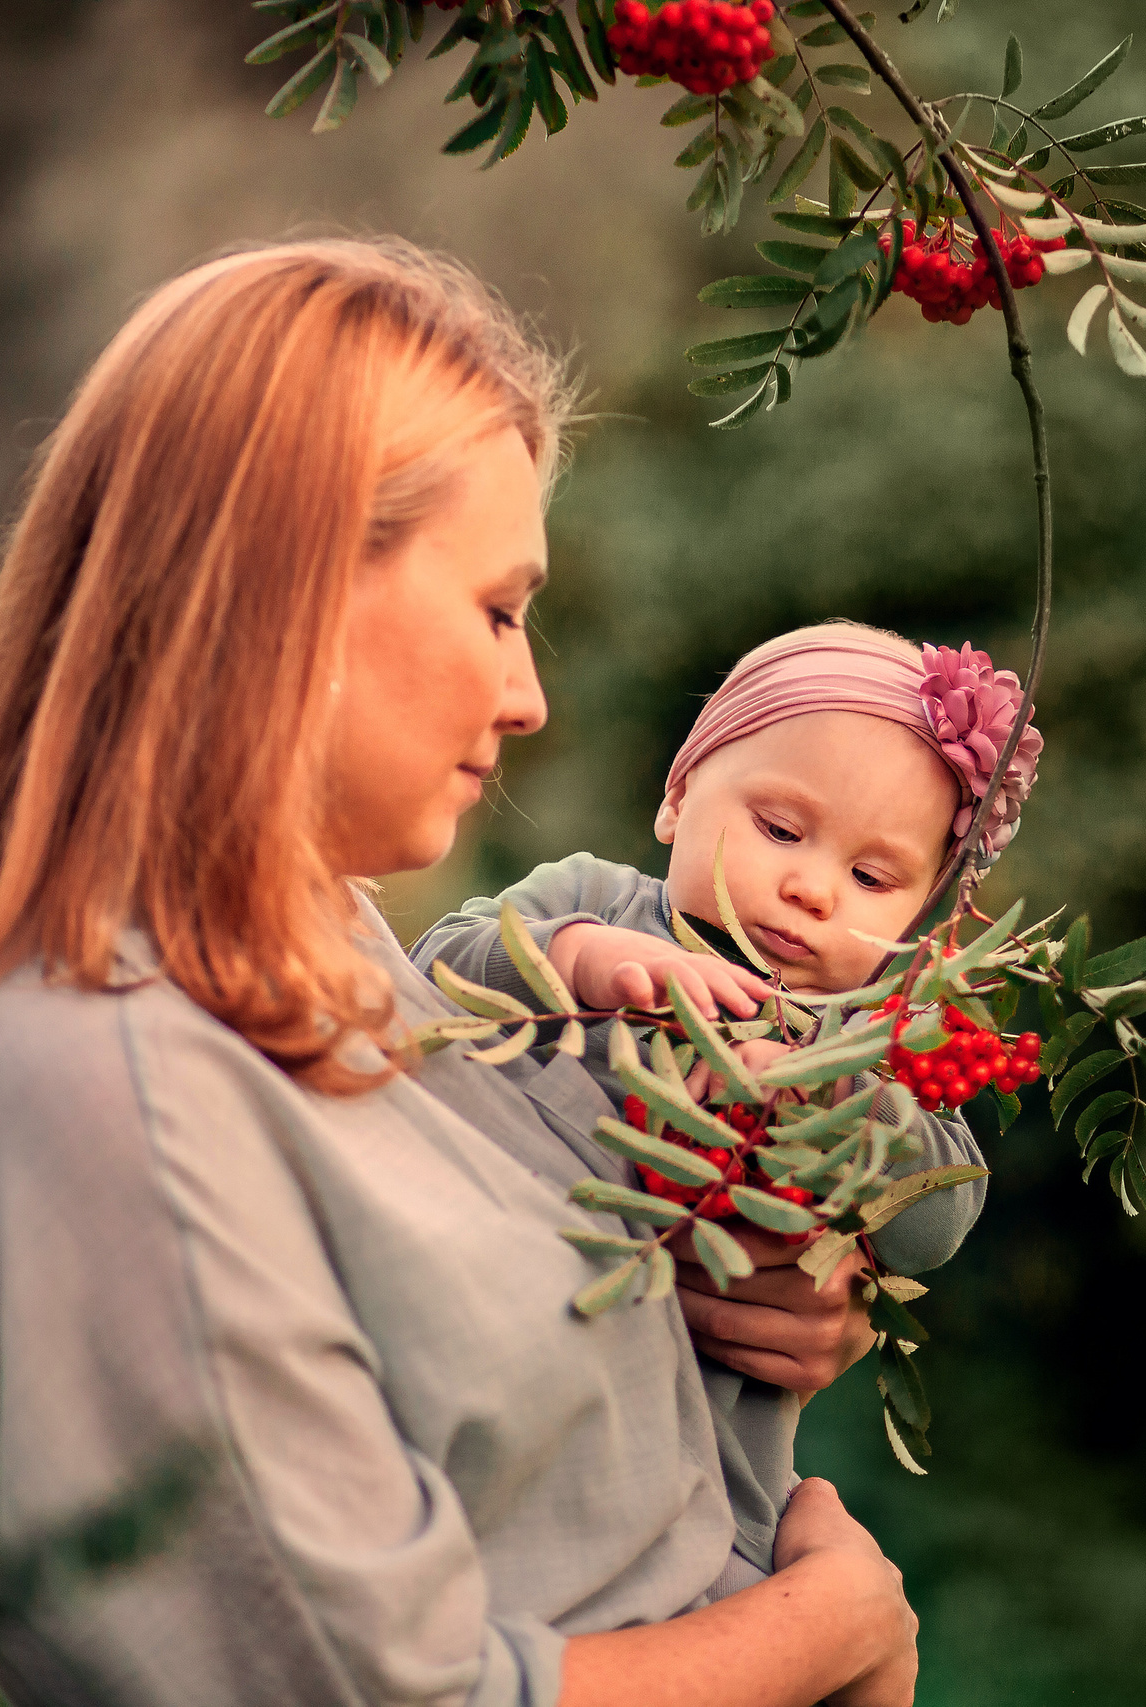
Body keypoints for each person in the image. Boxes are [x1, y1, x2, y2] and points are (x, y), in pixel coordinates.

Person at [0, 237, 920, 1707]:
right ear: (291, 579)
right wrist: (832, 1626)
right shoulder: (105, 1081)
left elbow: (495, 1378)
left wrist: (763, 1283)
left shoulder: (330, 945)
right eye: (497, 607)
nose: (530, 693)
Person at [410, 622, 1043, 1575]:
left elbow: (938, 1215)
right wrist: (580, 956)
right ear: (677, 795)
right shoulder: (594, 901)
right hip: (476, 1411)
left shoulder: (873, 1040)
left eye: (873, 877)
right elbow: (430, 973)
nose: (811, 887)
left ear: (921, 917)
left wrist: (828, 1083)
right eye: (781, 829)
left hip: (695, 1507)